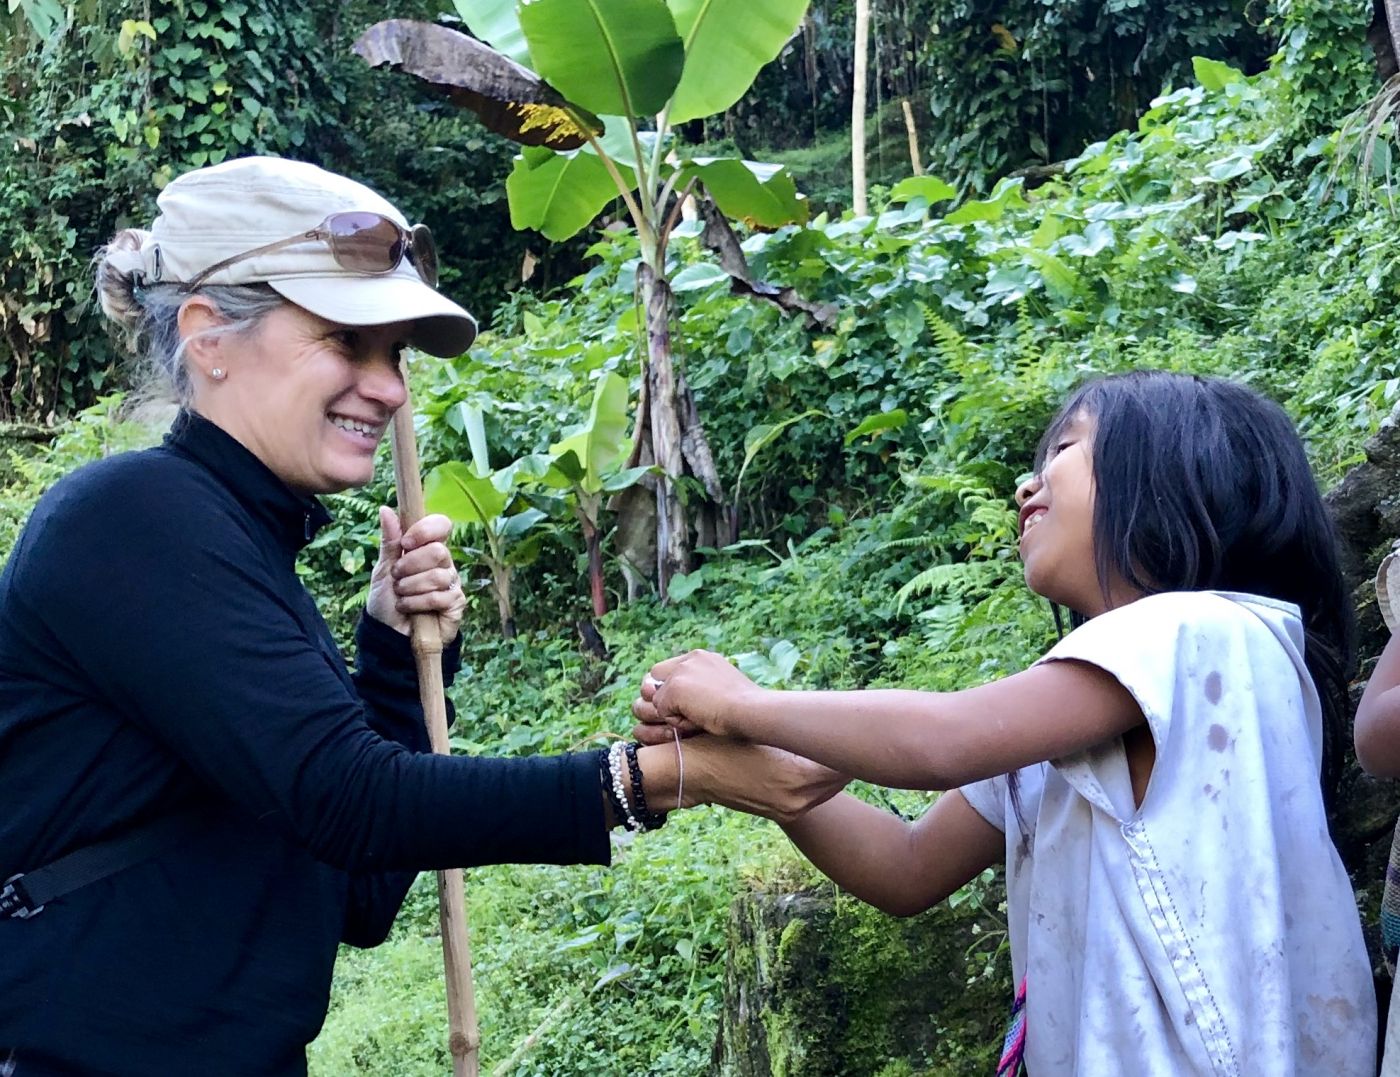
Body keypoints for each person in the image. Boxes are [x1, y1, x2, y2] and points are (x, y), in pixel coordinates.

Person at [0, 156, 845, 1076]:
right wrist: (660, 777)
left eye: (393, 352)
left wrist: (393, 654)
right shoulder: (131, 518)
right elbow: (352, 798)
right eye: (346, 343)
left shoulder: (238, 548)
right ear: (208, 336)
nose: (390, 387)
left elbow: (358, 893)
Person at [634, 370, 1377, 1074]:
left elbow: (942, 739)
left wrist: (743, 703)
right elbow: (906, 866)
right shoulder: (1080, 712)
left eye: (1064, 448)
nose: (1028, 483)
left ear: (1181, 467)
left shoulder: (1203, 629)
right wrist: (758, 771)